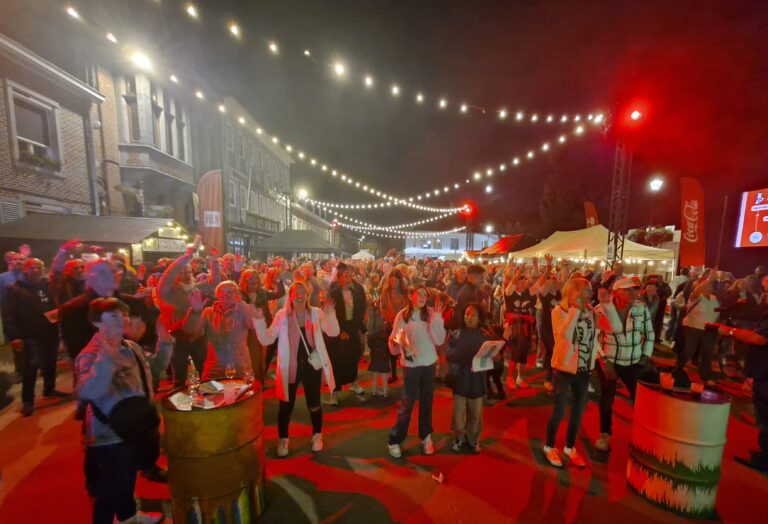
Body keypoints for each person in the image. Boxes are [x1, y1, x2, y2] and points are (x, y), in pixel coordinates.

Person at [76, 297, 171, 524]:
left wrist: (165, 341)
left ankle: (128, 516)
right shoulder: (90, 354)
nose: (123, 320)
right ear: (98, 323)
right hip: (107, 432)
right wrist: (107, 360)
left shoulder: (130, 347)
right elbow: (88, 390)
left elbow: (156, 368)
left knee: (127, 476)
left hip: (132, 425)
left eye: (124, 315)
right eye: (114, 317)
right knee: (109, 488)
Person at [253, 282, 339, 457]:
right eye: (296, 292)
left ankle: (317, 434)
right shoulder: (282, 316)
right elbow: (266, 339)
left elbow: (333, 332)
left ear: (307, 295)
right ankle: (283, 438)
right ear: (290, 296)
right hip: (289, 367)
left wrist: (330, 314)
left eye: (303, 292)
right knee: (286, 405)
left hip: (310, 366)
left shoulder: (316, 313)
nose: (300, 295)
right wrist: (259, 320)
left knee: (314, 403)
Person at [594, 276, 655, 452]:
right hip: (610, 361)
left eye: (634, 290)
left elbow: (649, 334)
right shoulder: (601, 309)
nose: (632, 293)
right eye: (627, 290)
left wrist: (645, 356)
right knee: (606, 400)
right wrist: (603, 360)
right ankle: (605, 434)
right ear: (616, 292)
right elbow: (594, 338)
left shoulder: (640, 309)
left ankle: (641, 436)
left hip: (634, 361)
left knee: (640, 401)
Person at [387, 286, 446, 458]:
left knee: (427, 403)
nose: (422, 297)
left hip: (428, 364)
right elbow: (394, 344)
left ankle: (426, 436)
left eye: (424, 294)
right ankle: (395, 439)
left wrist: (437, 319)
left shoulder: (431, 314)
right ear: (411, 296)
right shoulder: (402, 315)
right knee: (407, 404)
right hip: (410, 366)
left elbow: (440, 339)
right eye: (418, 294)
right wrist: (395, 343)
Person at [543, 277, 596, 468]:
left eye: (588, 291)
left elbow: (594, 337)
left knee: (578, 411)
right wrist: (575, 310)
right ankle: (549, 446)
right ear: (570, 292)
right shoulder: (559, 310)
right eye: (582, 291)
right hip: (564, 368)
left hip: (583, 369)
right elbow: (564, 333)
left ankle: (570, 446)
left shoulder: (590, 311)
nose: (586, 295)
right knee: (559, 410)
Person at [2, 258, 65, 416]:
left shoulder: (46, 286)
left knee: (50, 363)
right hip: (29, 334)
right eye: (32, 268)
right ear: (25, 269)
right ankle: (28, 400)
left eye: (39, 267)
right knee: (30, 368)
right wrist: (14, 336)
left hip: (49, 332)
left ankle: (49, 390)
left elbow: (52, 305)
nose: (36, 270)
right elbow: (8, 314)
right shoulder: (13, 289)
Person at [157, 235, 219, 387]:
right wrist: (188, 255)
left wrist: (214, 261)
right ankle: (180, 407)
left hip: (197, 337)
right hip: (177, 338)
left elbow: (214, 282)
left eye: (188, 272)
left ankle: (209, 404)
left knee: (205, 372)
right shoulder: (168, 291)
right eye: (182, 272)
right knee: (179, 376)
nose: (185, 275)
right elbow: (168, 276)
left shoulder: (196, 288)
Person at [184, 281, 258, 380]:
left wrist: (243, 307)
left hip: (239, 366)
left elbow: (253, 326)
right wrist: (195, 311)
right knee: (211, 394)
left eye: (231, 291)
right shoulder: (209, 312)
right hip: (214, 368)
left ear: (237, 294)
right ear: (217, 294)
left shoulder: (243, 310)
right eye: (222, 291)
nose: (226, 294)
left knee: (240, 394)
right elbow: (192, 332)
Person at [446, 303, 491, 453]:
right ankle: (459, 437)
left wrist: (495, 356)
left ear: (480, 318)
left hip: (477, 381)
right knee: (458, 418)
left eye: (473, 315)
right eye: (466, 314)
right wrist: (465, 355)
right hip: (460, 379)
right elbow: (449, 354)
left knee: (476, 416)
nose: (469, 318)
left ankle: (473, 439)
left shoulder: (485, 335)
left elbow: (493, 360)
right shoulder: (456, 334)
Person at [325, 262, 368, 404]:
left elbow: (362, 308)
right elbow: (331, 314)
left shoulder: (358, 289)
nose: (349, 278)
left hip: (353, 327)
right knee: (337, 360)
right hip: (338, 328)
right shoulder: (334, 292)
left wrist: (358, 329)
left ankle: (353, 382)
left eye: (350, 275)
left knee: (354, 356)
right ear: (339, 277)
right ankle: (334, 391)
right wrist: (340, 331)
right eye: (346, 275)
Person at [239, 269, 285, 380]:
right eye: (250, 278)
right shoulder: (240, 294)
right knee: (250, 355)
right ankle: (251, 378)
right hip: (247, 329)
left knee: (262, 355)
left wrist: (279, 280)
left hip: (263, 327)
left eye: (255, 278)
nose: (254, 281)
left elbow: (280, 293)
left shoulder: (262, 292)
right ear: (245, 280)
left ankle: (260, 378)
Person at [677, 271, 721, 385]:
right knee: (689, 350)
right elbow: (696, 292)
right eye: (706, 285)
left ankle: (706, 376)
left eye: (710, 286)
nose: (709, 287)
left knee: (707, 353)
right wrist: (709, 279)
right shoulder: (695, 297)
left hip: (709, 329)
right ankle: (679, 368)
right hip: (693, 327)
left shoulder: (714, 298)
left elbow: (717, 312)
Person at [380, 269, 409, 383]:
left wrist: (400, 319)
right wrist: (390, 319)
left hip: (403, 324)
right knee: (392, 351)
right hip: (390, 323)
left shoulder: (405, 293)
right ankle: (393, 373)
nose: (393, 282)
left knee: (405, 350)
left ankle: (407, 372)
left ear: (399, 280)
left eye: (395, 280)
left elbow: (408, 307)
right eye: (391, 280)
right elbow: (383, 308)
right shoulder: (385, 293)